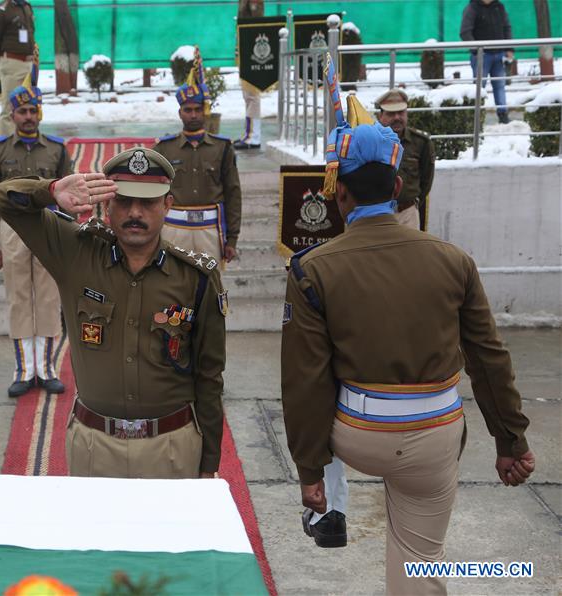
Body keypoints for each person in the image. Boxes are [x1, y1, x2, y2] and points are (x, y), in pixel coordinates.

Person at [281, 57, 535, 595]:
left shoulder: (311, 270)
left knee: (326, 383)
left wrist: (310, 470)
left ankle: (331, 510)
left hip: (357, 434)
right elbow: (489, 357)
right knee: (421, 561)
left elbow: (305, 381)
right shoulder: (454, 260)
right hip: (434, 433)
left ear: (339, 192)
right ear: (398, 186)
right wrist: (510, 439)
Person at [0, 148, 227, 479]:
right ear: (106, 204)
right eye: (124, 201)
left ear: (167, 205)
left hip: (172, 447)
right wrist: (51, 190)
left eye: (148, 202)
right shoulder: (74, 252)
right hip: (94, 446)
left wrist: (209, 465)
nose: (135, 212)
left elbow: (210, 376)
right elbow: (0, 197)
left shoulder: (195, 276)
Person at [0, 48, 70, 398]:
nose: (29, 116)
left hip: (48, 227)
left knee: (48, 298)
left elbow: (69, 196)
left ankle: (46, 369)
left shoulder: (57, 150)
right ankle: (23, 370)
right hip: (13, 230)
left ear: (39, 112)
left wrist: (67, 238)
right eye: (23, 111)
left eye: (34, 110)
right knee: (19, 298)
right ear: (12, 113)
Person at [154, 47, 242, 264]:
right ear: (180, 113)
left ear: (205, 111)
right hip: (173, 228)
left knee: (210, 281)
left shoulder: (222, 148)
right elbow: (153, 192)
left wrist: (232, 238)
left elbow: (232, 193)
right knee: (172, 281)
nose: (193, 115)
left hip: (210, 230)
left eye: (197, 109)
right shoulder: (164, 148)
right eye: (188, 110)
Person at [376, 88, 435, 231]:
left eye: (401, 112)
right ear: (380, 115)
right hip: (376, 215)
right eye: (391, 113)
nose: (397, 117)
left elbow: (426, 180)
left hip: (407, 214)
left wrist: (412, 203)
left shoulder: (420, 142)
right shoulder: (369, 141)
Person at [0, 0, 35, 137]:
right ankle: (7, 147)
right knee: (10, 109)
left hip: (27, 63)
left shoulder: (26, 6)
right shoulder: (2, 10)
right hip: (12, 63)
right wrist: (4, 60)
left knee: (26, 108)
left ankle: (24, 143)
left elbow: (31, 32)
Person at [460, 0, 513, 124]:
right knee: (479, 88)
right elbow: (465, 32)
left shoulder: (499, 7)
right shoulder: (472, 8)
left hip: (499, 54)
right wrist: (477, 50)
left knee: (500, 86)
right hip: (481, 56)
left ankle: (503, 115)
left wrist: (509, 48)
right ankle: (476, 118)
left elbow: (507, 27)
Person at [234, 0, 263, 150]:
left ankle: (254, 136)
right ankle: (250, 134)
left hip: (251, 47)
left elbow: (255, 21)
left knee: (251, 94)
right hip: (246, 45)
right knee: (248, 95)